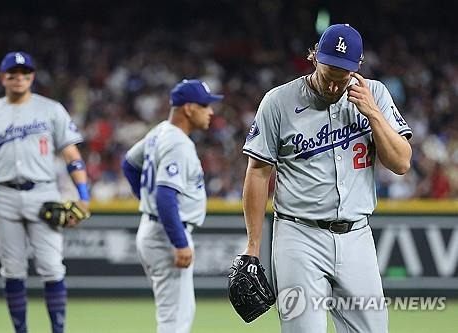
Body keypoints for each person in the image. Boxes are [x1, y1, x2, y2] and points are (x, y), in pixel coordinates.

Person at [241, 24, 412, 332]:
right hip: (298, 236)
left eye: (342, 78)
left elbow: (401, 163)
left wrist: (373, 114)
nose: (334, 87)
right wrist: (253, 246)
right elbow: (257, 172)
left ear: (358, 67)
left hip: (357, 235)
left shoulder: (375, 95)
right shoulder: (278, 102)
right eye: (328, 74)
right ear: (315, 56)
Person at [0, 51, 90, 333]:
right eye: (13, 74)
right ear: (2, 78)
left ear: (32, 77)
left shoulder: (51, 109)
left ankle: (58, 330)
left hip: (43, 194)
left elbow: (72, 154)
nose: (19, 79)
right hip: (4, 195)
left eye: (24, 74)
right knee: (12, 270)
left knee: (52, 268)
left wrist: (83, 196)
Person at [122, 79, 223, 333]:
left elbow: (129, 163)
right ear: (188, 108)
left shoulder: (160, 132)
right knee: (174, 321)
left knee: (176, 316)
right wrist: (179, 242)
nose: (210, 111)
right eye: (205, 105)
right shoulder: (178, 142)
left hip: (156, 228)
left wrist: (147, 199)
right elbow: (165, 195)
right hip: (166, 235)